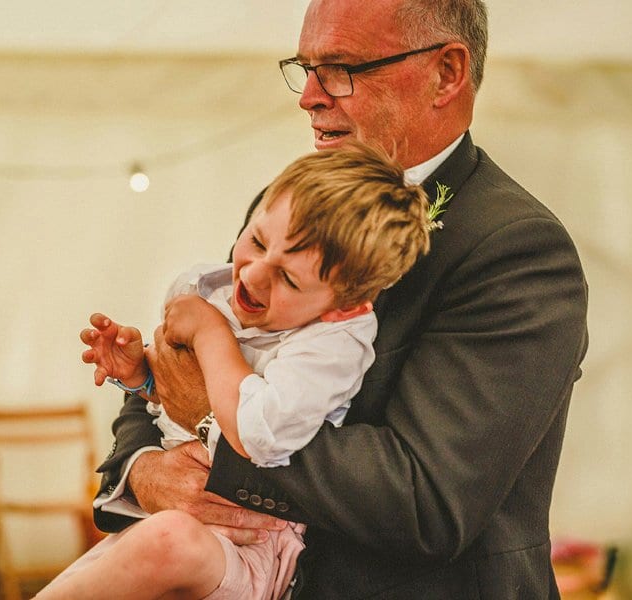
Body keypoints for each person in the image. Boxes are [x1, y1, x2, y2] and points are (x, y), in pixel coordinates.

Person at [91, 0, 589, 598]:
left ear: (446, 73)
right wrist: (143, 469)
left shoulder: (516, 248)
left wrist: (215, 424)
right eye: (305, 69)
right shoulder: (297, 202)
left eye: (340, 68)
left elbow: (425, 498)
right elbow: (184, 359)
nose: (309, 96)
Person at [36, 143, 431, 599]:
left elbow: (257, 433)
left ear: (345, 307)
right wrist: (144, 374)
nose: (254, 275)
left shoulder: (332, 344)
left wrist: (209, 334)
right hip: (166, 523)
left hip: (247, 545)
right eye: (258, 241)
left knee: (169, 542)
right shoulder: (211, 287)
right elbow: (180, 398)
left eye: (289, 279)